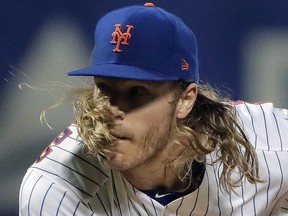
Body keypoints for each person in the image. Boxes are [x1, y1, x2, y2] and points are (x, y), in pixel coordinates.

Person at [19, 2, 288, 215]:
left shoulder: (267, 145)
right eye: (104, 89)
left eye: (136, 92)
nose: (111, 110)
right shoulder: (58, 188)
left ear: (185, 99)